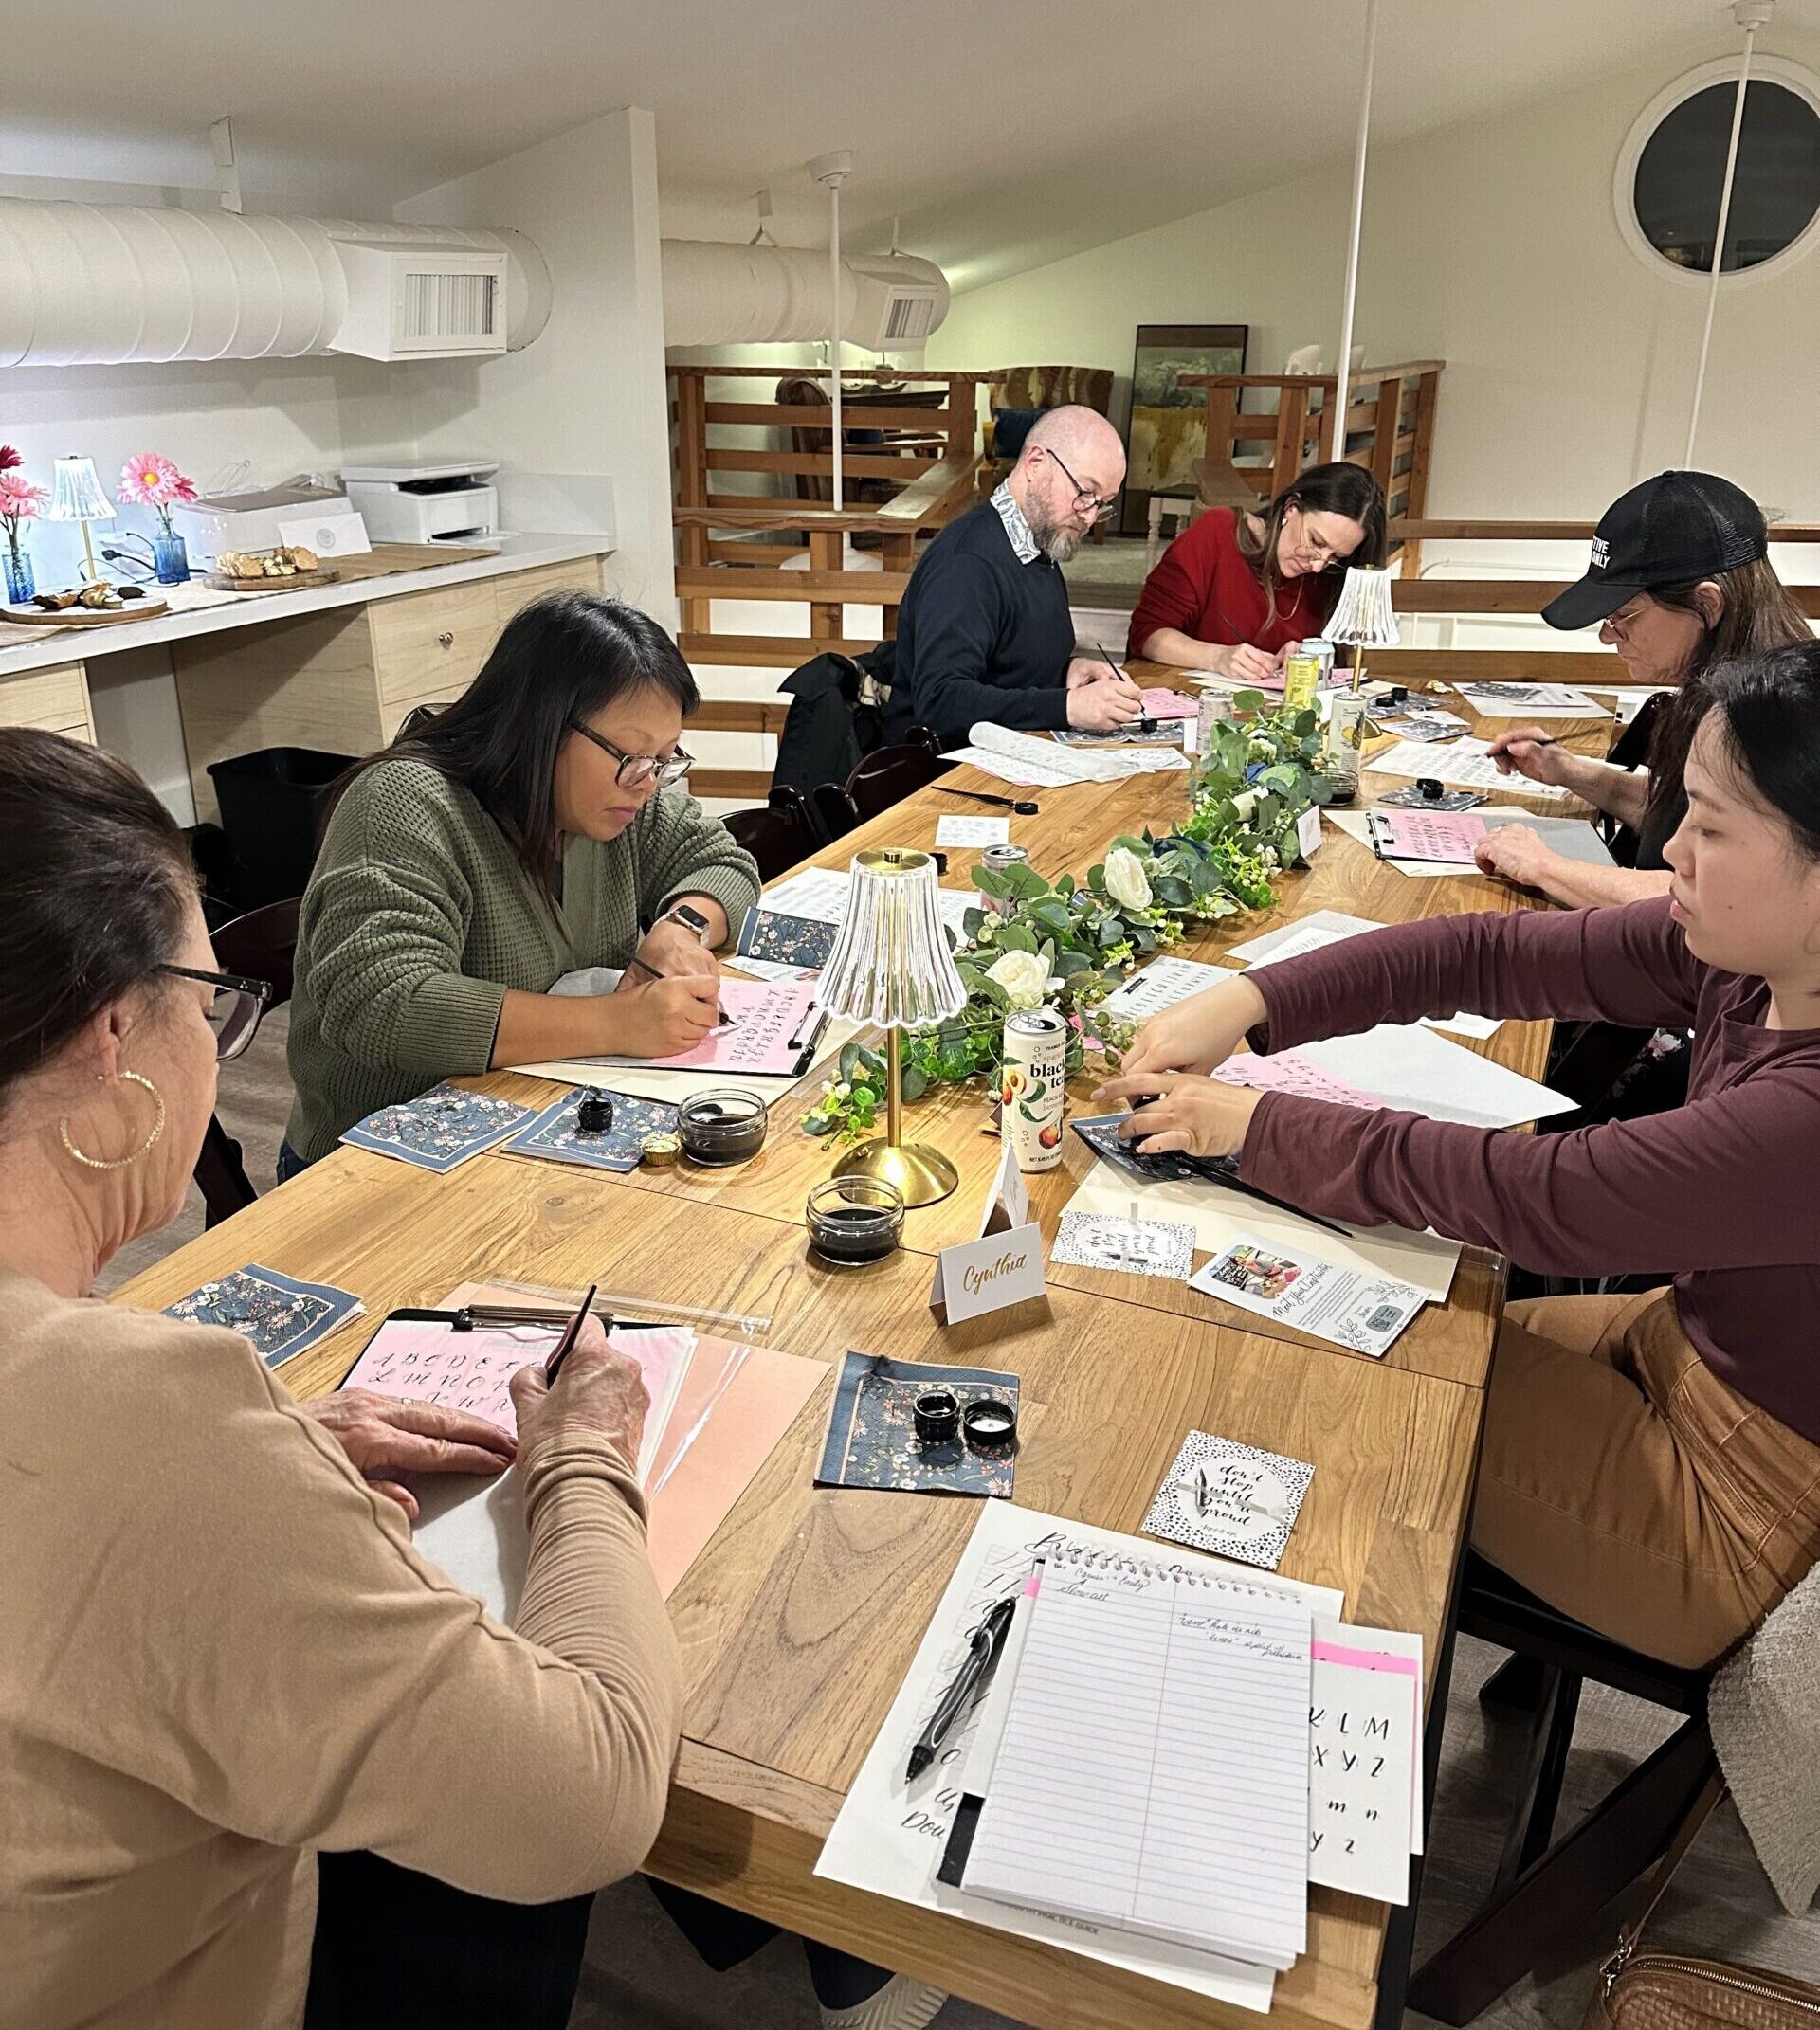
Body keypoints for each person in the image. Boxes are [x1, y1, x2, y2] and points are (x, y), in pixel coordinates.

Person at [0, 728, 682, 2030]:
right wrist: (585, 1450)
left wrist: (262, 1458)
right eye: (211, 1006)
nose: (220, 1047)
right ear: (111, 1039)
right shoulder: (145, 1425)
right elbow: (591, 1794)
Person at [1098, 642, 1820, 1669]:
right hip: (1687, 1341)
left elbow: (1544, 1200)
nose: (1673, 860)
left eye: (1709, 827)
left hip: (1742, 1507)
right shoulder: (1757, 955)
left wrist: (1254, 1125)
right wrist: (1254, 1002)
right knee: (1373, 1314)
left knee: (1333, 1376)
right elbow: (1481, 955)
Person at [284, 593, 760, 1169]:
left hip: (544, 1121)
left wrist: (682, 927)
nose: (647, 781)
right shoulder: (406, 803)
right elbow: (382, 1002)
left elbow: (721, 861)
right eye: (633, 755)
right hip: (379, 1161)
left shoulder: (615, 803)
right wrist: (617, 1022)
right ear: (544, 724)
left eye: (664, 758)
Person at [1476, 470, 1811, 907]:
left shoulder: (1773, 721)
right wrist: (1567, 770)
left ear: (1707, 604)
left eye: (1623, 616)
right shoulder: (1729, 692)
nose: (1606, 636)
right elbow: (1678, 818)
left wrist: (1542, 866)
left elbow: (1708, 898)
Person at [882, 404, 1142, 749]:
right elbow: (940, 701)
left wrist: (1067, 673)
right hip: (936, 775)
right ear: (1036, 463)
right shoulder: (968, 562)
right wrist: (1066, 706)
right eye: (1084, 493)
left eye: (1102, 502)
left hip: (1009, 756)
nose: (1090, 517)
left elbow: (1008, 665)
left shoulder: (1036, 542)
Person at [1126, 462, 1386, 681]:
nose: (1317, 565)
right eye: (1316, 542)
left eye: (1336, 557)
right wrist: (1217, 657)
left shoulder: (1329, 576)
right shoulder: (1218, 533)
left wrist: (1311, 655)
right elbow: (1146, 634)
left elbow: (1335, 664)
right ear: (1291, 508)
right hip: (1191, 705)